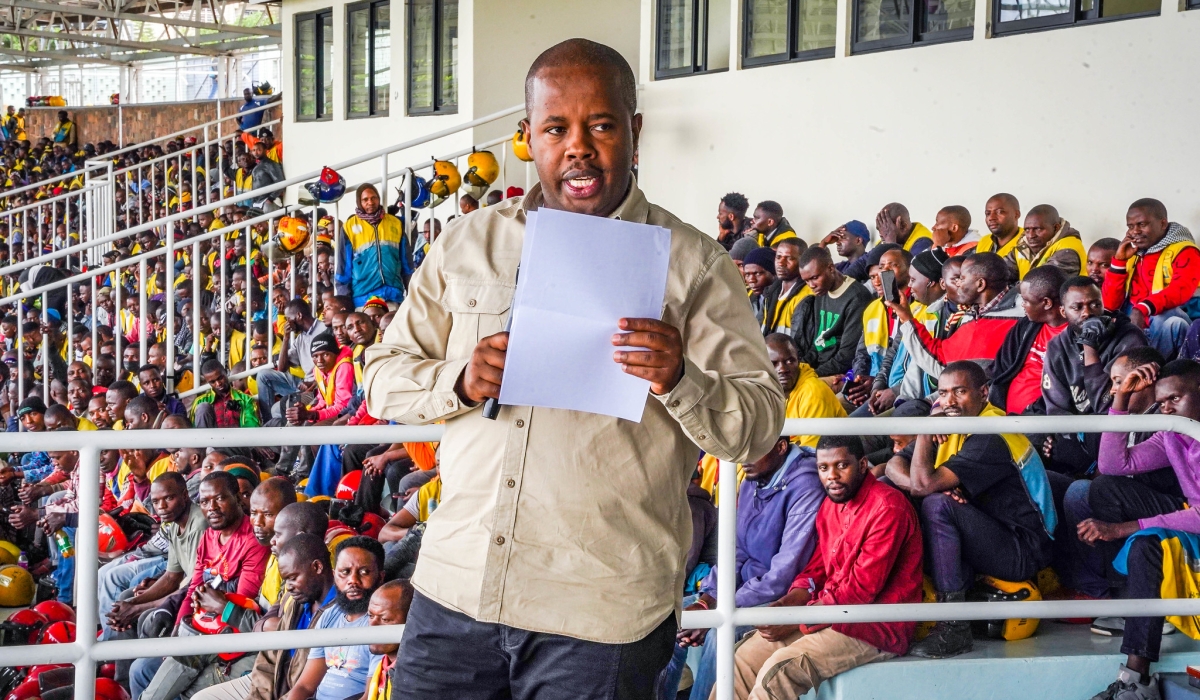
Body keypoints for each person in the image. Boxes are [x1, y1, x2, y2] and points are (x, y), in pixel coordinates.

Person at [363, 39, 784, 698]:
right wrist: (459, 380)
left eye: (602, 125)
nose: (579, 146)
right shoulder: (469, 242)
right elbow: (383, 372)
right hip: (456, 594)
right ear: (528, 137)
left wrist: (681, 379)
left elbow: (757, 428)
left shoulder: (695, 265)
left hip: (600, 613)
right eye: (557, 128)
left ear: (634, 131)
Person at [728, 436, 923, 700]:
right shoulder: (830, 505)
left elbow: (860, 592)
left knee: (780, 670)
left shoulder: (888, 507)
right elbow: (815, 571)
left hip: (873, 627)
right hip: (827, 615)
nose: (832, 476)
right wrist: (786, 605)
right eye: (823, 468)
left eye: (842, 466)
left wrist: (797, 618)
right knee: (743, 659)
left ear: (863, 465)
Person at [885, 361, 1056, 658]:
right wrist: (916, 482)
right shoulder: (954, 422)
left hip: (1024, 549)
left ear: (984, 393)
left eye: (960, 392)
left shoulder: (991, 432)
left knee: (936, 503)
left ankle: (955, 625)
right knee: (899, 491)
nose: (949, 402)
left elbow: (924, 485)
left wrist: (925, 431)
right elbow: (892, 466)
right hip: (989, 527)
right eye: (943, 393)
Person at [666, 436, 824, 700]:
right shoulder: (753, 478)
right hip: (740, 592)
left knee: (720, 633)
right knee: (672, 619)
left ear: (781, 447)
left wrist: (717, 608)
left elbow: (782, 576)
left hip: (781, 598)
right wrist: (708, 598)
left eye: (753, 449)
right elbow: (735, 549)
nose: (744, 458)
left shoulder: (806, 485)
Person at [1081, 359, 1200, 700]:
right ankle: (1136, 679)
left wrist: (1122, 528)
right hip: (1192, 525)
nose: (1166, 410)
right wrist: (1120, 397)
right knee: (1140, 540)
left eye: (1174, 399)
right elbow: (1114, 465)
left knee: (1139, 535)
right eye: (1161, 403)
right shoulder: (1175, 434)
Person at [130, 472, 270, 700]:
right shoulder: (209, 537)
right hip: (198, 626)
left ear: (236, 498)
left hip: (227, 636)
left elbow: (240, 601)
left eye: (220, 498)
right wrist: (178, 629)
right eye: (204, 501)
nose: (211, 507)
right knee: (140, 669)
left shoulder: (252, 541)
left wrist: (206, 610)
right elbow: (194, 587)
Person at [189, 532, 337, 700]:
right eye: (286, 580)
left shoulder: (338, 612)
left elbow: (312, 686)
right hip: (274, 682)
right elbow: (269, 658)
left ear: (317, 567)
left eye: (293, 578)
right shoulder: (296, 598)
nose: (288, 587)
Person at [100, 472, 204, 641]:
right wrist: (132, 604)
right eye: (156, 502)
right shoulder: (173, 525)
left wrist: (137, 608)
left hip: (194, 597)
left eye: (168, 498)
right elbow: (171, 576)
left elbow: (191, 588)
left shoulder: (198, 525)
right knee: (126, 599)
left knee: (145, 617)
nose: (161, 506)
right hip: (184, 589)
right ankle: (110, 655)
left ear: (185, 496)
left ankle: (123, 659)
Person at [286, 537, 383, 700]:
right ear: (334, 576)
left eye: (364, 572)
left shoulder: (381, 624)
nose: (353, 580)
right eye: (345, 572)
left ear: (380, 577)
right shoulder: (330, 615)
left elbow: (369, 696)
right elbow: (304, 686)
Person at [1102, 198, 1199, 358]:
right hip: (1136, 323)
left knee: (1169, 321)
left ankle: (1154, 368)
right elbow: (1110, 305)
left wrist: (1142, 308)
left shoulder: (1185, 250)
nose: (1135, 232)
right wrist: (1119, 261)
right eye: (1131, 227)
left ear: (1162, 224)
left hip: (1167, 319)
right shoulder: (1134, 252)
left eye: (1142, 224)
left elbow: (1180, 290)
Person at [1043, 276, 1148, 418]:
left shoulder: (1129, 338)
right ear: (1063, 312)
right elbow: (1057, 409)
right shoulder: (1057, 346)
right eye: (1077, 307)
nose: (1087, 313)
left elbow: (1106, 408)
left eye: (1095, 305)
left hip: (1117, 425)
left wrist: (1089, 344)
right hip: (1076, 429)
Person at [988, 265, 1068, 415]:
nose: (1022, 305)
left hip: (1042, 423)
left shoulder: (1075, 337)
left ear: (1046, 303)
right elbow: (999, 368)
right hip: (1004, 417)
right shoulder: (1026, 326)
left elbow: (1067, 393)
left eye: (1026, 300)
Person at [789, 246, 872, 386]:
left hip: (842, 374)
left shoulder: (857, 297)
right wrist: (800, 368)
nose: (811, 285)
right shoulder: (821, 293)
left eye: (815, 278)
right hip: (821, 368)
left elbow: (846, 357)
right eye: (807, 281)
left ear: (831, 268)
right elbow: (817, 344)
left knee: (802, 390)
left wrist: (811, 375)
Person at [337, 183, 412, 308]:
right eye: (365, 199)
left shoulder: (395, 223)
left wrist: (411, 293)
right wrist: (345, 302)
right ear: (359, 202)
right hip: (363, 298)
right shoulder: (349, 227)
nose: (370, 202)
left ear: (378, 199)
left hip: (392, 295)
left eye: (373, 198)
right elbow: (343, 269)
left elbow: (407, 264)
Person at [765, 334, 845, 447]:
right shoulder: (762, 390)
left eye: (789, 361)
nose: (782, 369)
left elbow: (812, 453)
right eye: (774, 363)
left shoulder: (813, 393)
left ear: (798, 361)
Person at [363, 581, 415, 700]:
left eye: (385, 619)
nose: (372, 625)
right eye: (370, 616)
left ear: (410, 621)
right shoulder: (383, 664)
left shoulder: (415, 675)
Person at [1015, 204, 1086, 279]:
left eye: (1038, 229)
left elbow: (1043, 284)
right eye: (1027, 229)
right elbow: (1003, 274)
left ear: (1056, 228)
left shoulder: (1068, 250)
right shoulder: (1023, 245)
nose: (1031, 235)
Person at [191, 360, 261, 429]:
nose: (218, 384)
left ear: (226, 372)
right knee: (203, 407)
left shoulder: (245, 399)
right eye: (212, 382)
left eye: (220, 378)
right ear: (207, 382)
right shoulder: (200, 401)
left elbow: (252, 426)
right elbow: (192, 429)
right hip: (210, 439)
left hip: (238, 438)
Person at [759, 239, 808, 334]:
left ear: (803, 261)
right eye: (778, 257)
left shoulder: (806, 296)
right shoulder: (771, 291)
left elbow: (798, 340)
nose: (781, 263)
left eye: (789, 258)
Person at [976, 193, 1023, 263]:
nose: (991, 218)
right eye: (988, 213)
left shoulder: (1029, 243)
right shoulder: (984, 241)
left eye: (999, 212)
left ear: (1016, 215)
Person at [742, 246, 776, 325]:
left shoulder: (781, 299)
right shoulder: (746, 297)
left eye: (757, 273)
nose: (751, 280)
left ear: (773, 273)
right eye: (747, 274)